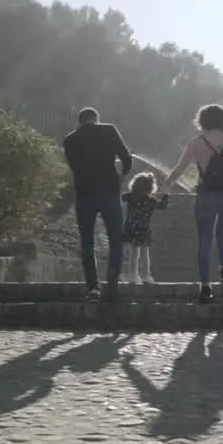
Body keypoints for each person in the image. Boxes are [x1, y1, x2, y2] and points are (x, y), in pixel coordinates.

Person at [159, 104, 223, 303]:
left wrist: (166, 186)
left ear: (202, 120)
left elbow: (179, 169)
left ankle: (205, 286)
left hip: (206, 195)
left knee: (205, 238)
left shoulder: (196, 143)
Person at [62, 107, 132, 302]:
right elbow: (127, 158)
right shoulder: (109, 130)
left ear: (80, 121)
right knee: (116, 238)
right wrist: (121, 176)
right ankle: (113, 275)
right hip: (109, 191)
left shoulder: (70, 140)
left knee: (87, 242)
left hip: (85, 195)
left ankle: (93, 288)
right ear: (96, 119)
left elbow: (74, 167)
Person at [121, 172, 170, 284]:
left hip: (131, 227)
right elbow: (163, 205)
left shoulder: (129, 196)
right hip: (144, 228)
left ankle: (133, 275)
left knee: (134, 252)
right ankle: (146, 275)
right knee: (144, 252)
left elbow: (118, 198)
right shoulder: (151, 200)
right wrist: (166, 193)